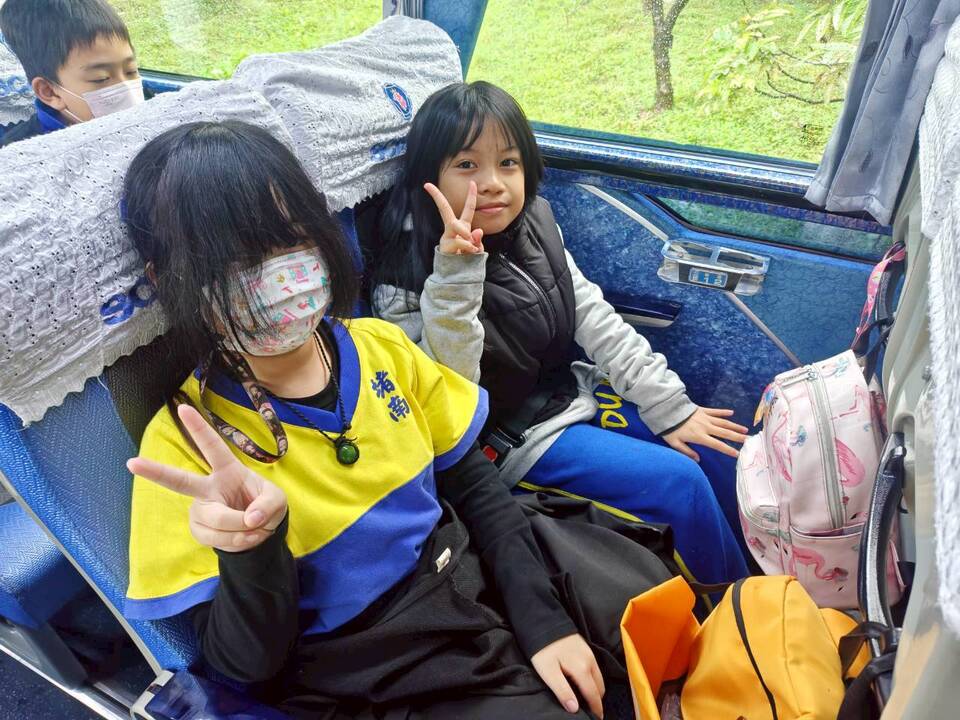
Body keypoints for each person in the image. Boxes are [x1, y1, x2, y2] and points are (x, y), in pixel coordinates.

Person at [122, 120, 675, 719]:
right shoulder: (184, 447)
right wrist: (253, 551)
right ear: (164, 280)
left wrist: (544, 624)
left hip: (467, 572)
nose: (276, 275)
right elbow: (244, 669)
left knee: (656, 611)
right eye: (235, 260)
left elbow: (476, 488)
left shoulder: (380, 347)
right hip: (381, 664)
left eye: (290, 238)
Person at [370, 81, 750, 584]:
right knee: (678, 482)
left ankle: (769, 589)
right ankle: (732, 608)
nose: (492, 183)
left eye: (508, 162)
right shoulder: (401, 281)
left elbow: (596, 319)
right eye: (466, 165)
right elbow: (451, 401)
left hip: (566, 394)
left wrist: (670, 407)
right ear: (428, 178)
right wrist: (455, 276)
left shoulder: (535, 225)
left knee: (717, 451)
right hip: (506, 442)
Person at [0, 0, 146, 148]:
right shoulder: (18, 154)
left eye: (131, 71)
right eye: (100, 79)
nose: (127, 90)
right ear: (50, 92)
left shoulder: (150, 100)